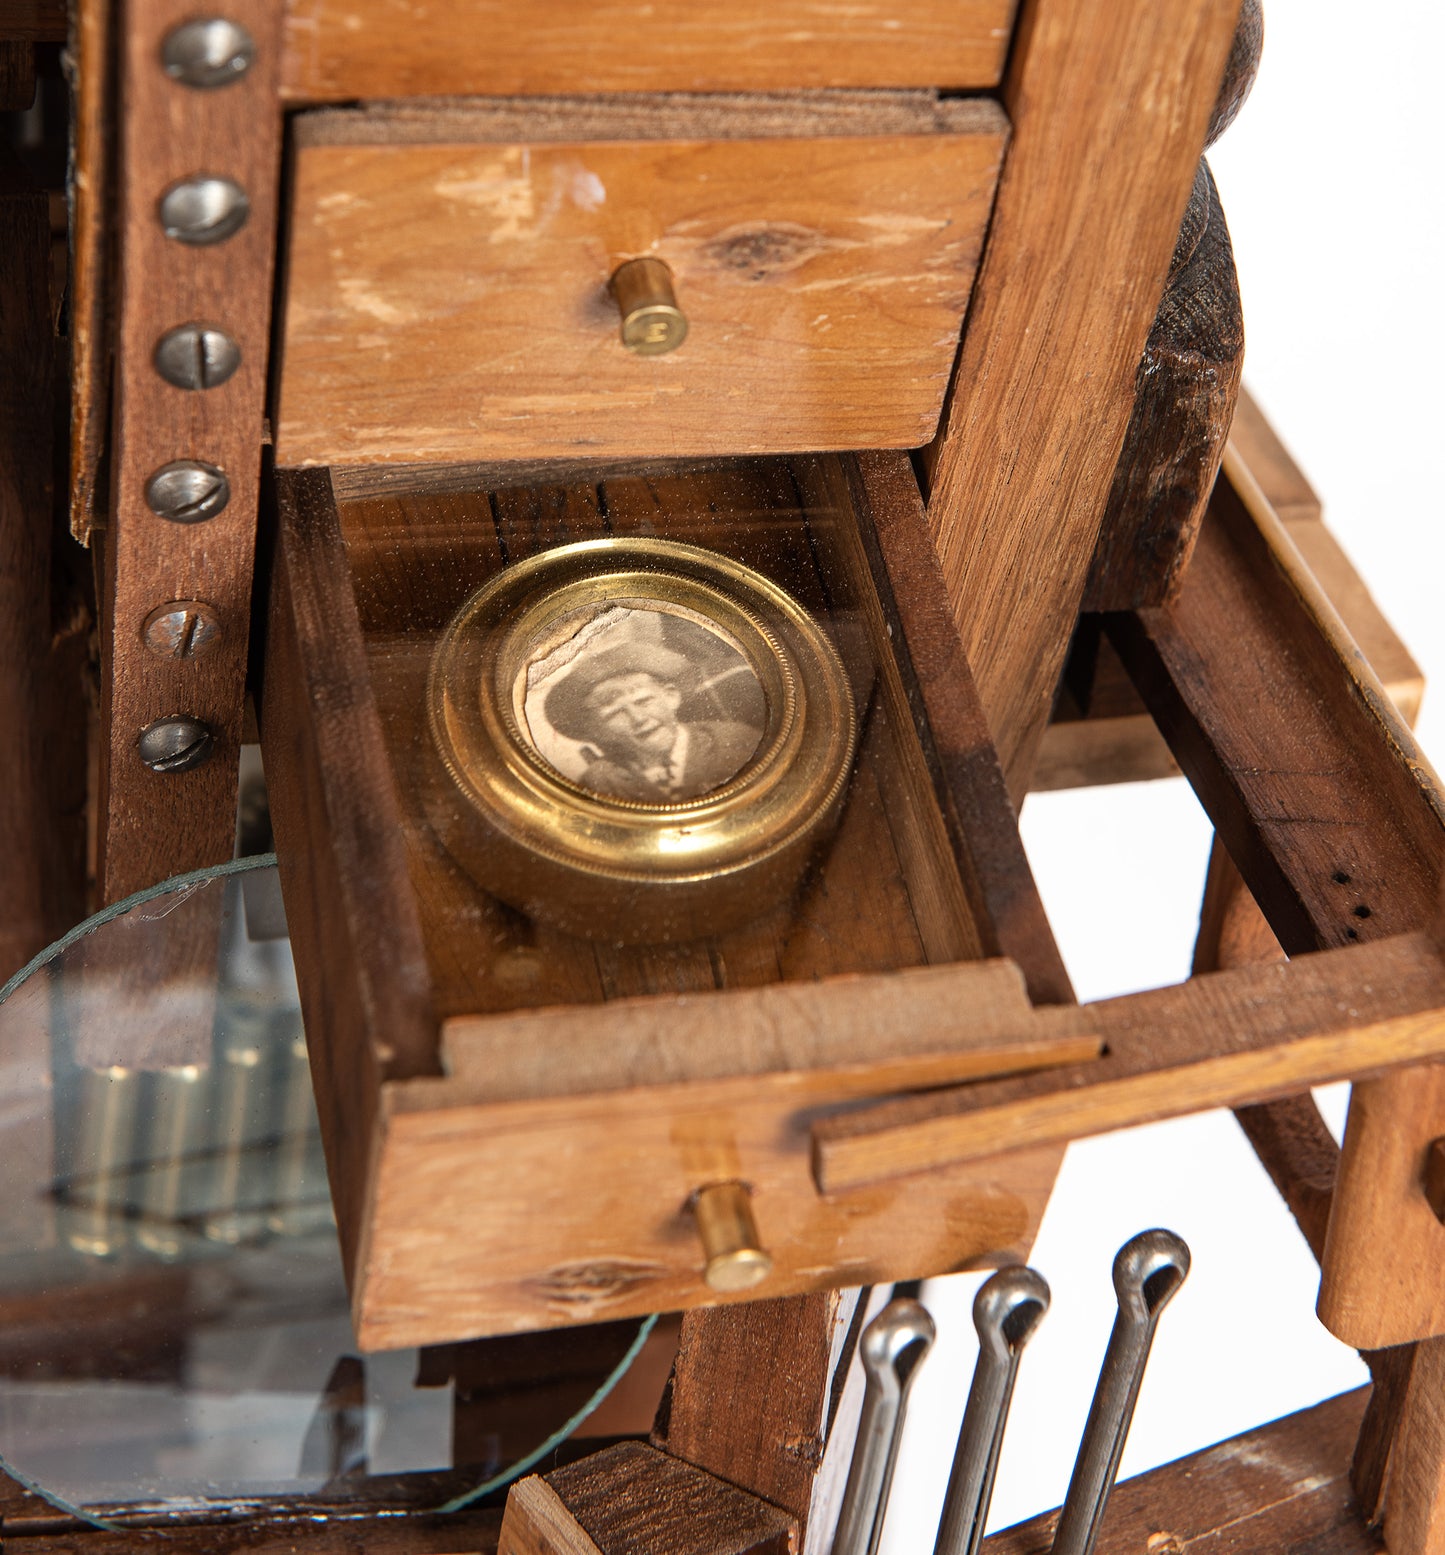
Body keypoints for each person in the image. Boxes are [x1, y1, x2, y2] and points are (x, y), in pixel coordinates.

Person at [542, 640, 762, 802]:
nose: (638, 719)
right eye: (615, 713)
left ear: (671, 696)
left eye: (644, 701)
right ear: (597, 730)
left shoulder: (734, 742)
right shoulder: (601, 782)